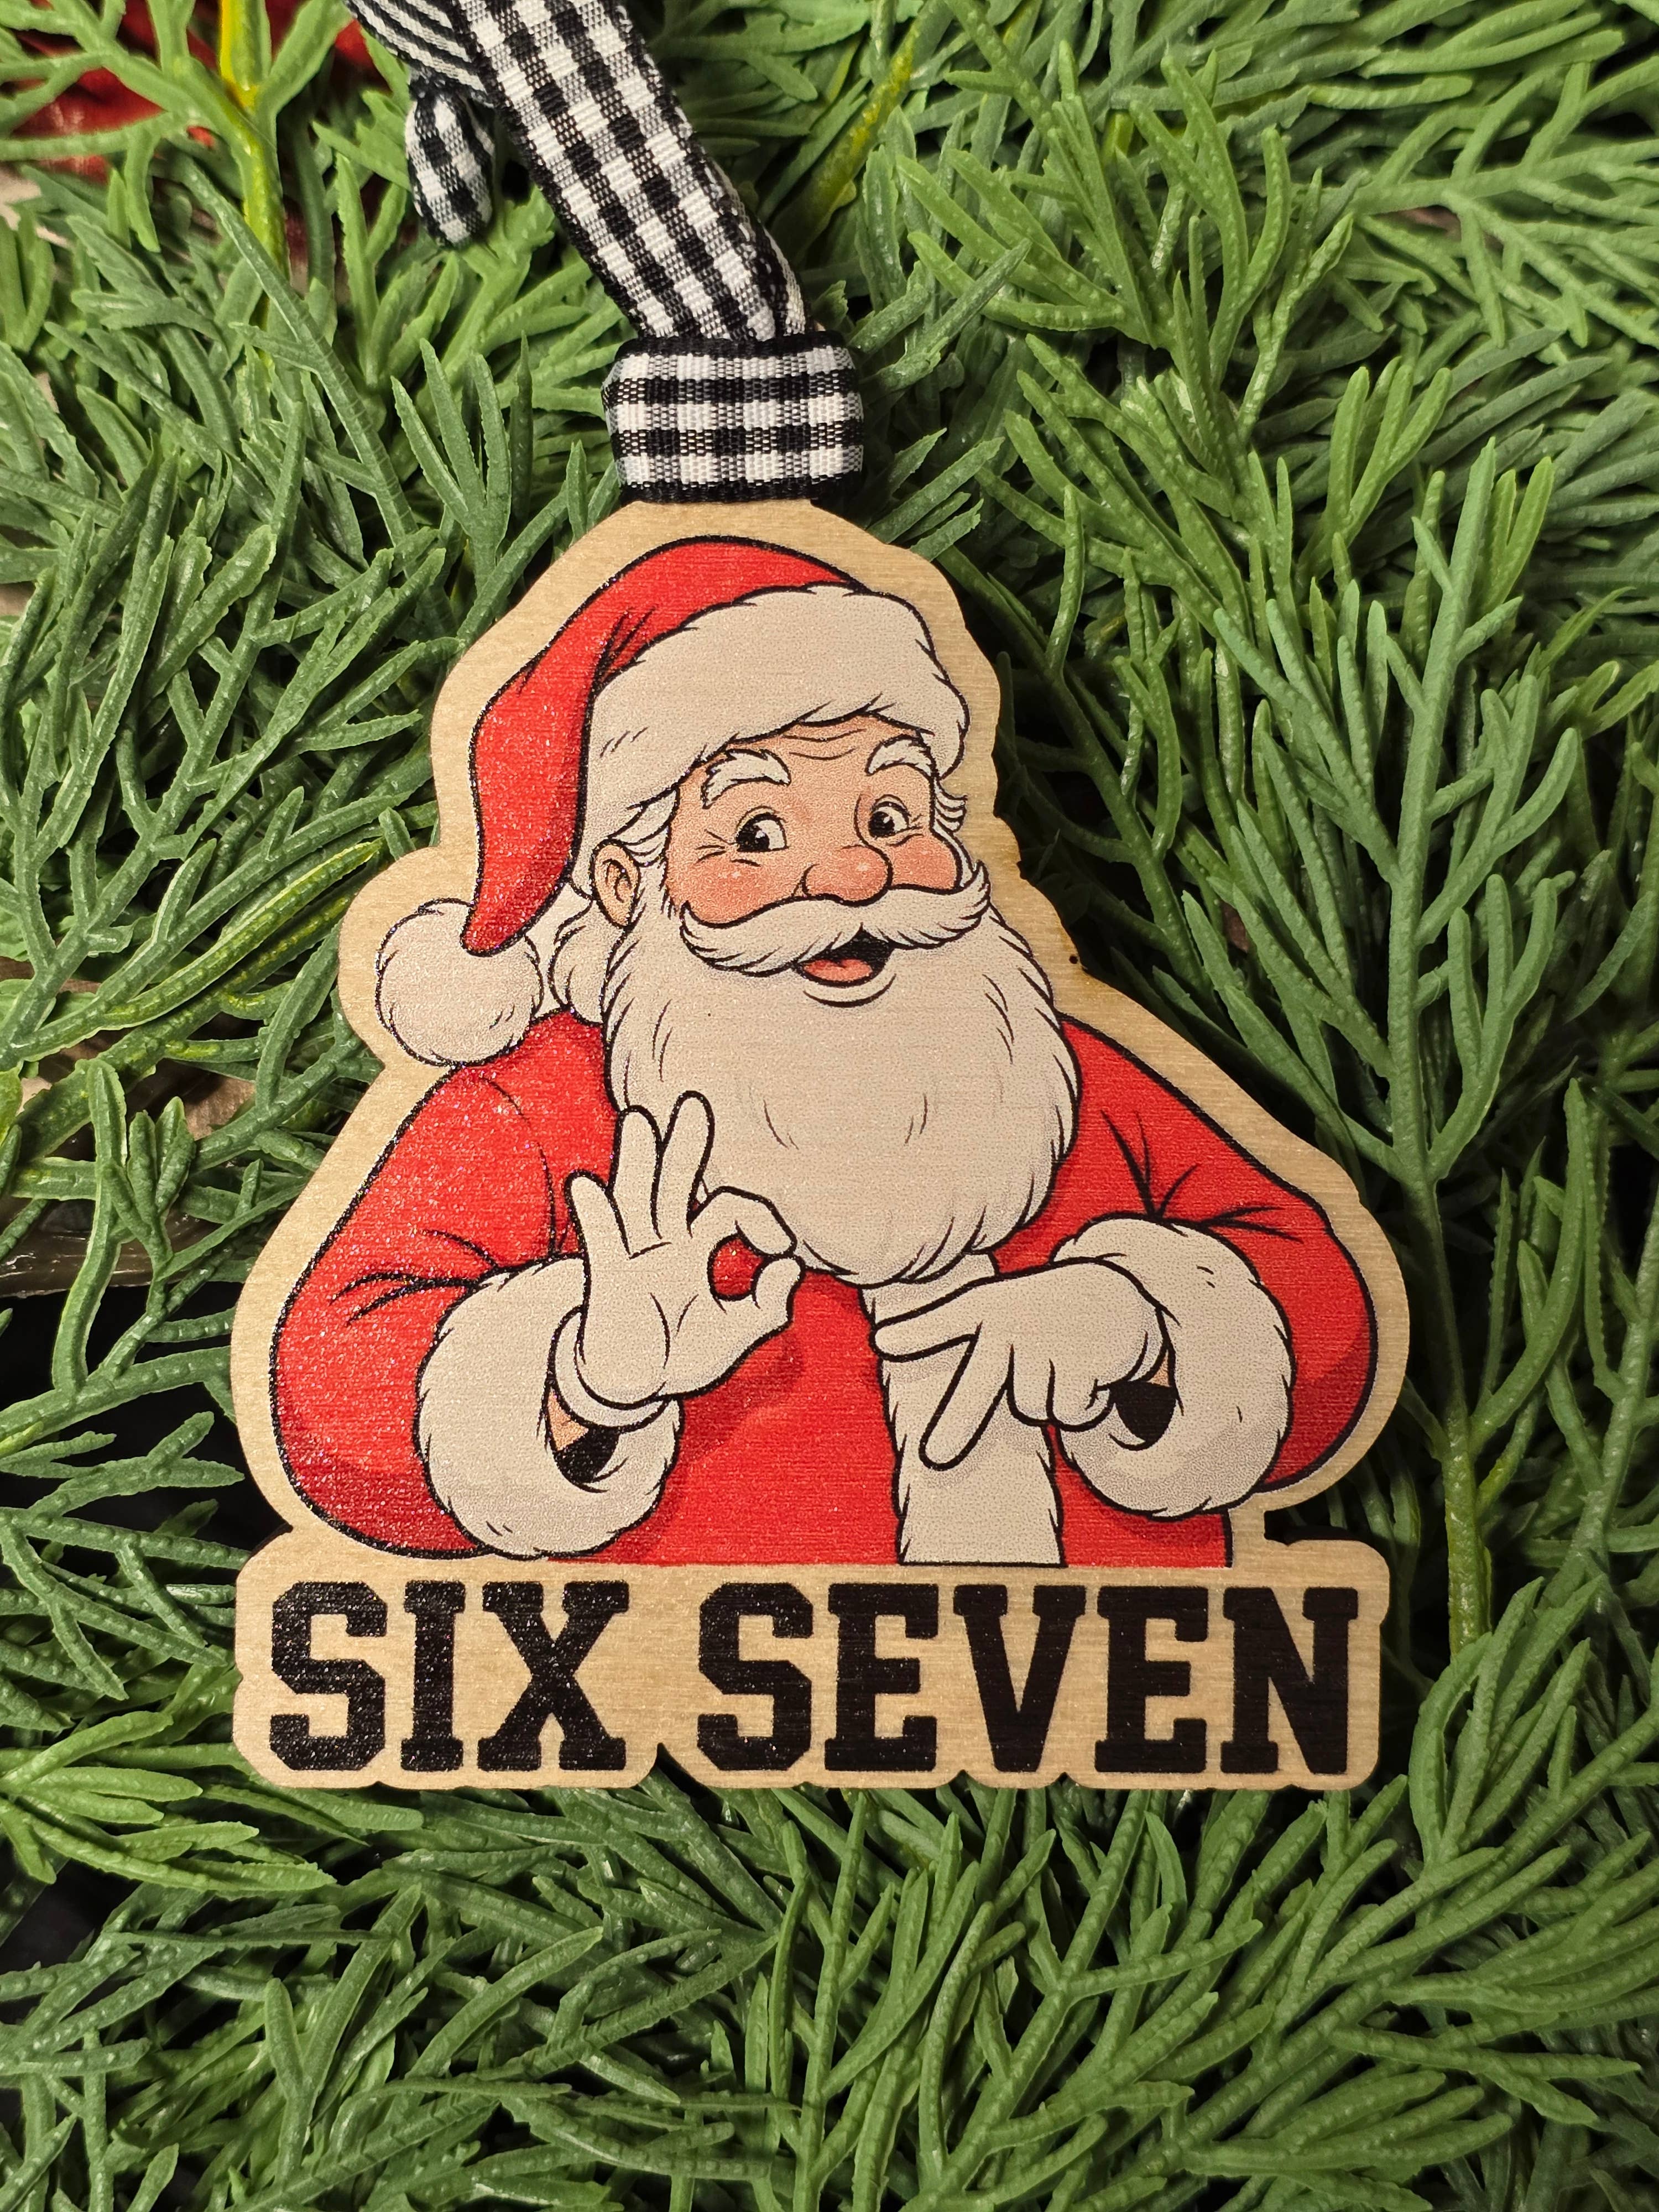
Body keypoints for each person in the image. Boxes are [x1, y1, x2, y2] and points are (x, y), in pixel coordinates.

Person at [271, 538, 1376, 1568]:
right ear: (623, 881)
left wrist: (1142, 1328)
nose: (854, 876)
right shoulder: (543, 1107)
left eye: (891, 816)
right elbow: (329, 1402)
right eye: (759, 834)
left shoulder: (1046, 1065)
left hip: (1104, 1672)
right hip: (696, 1681)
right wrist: (584, 1375)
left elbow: (1325, 1316)